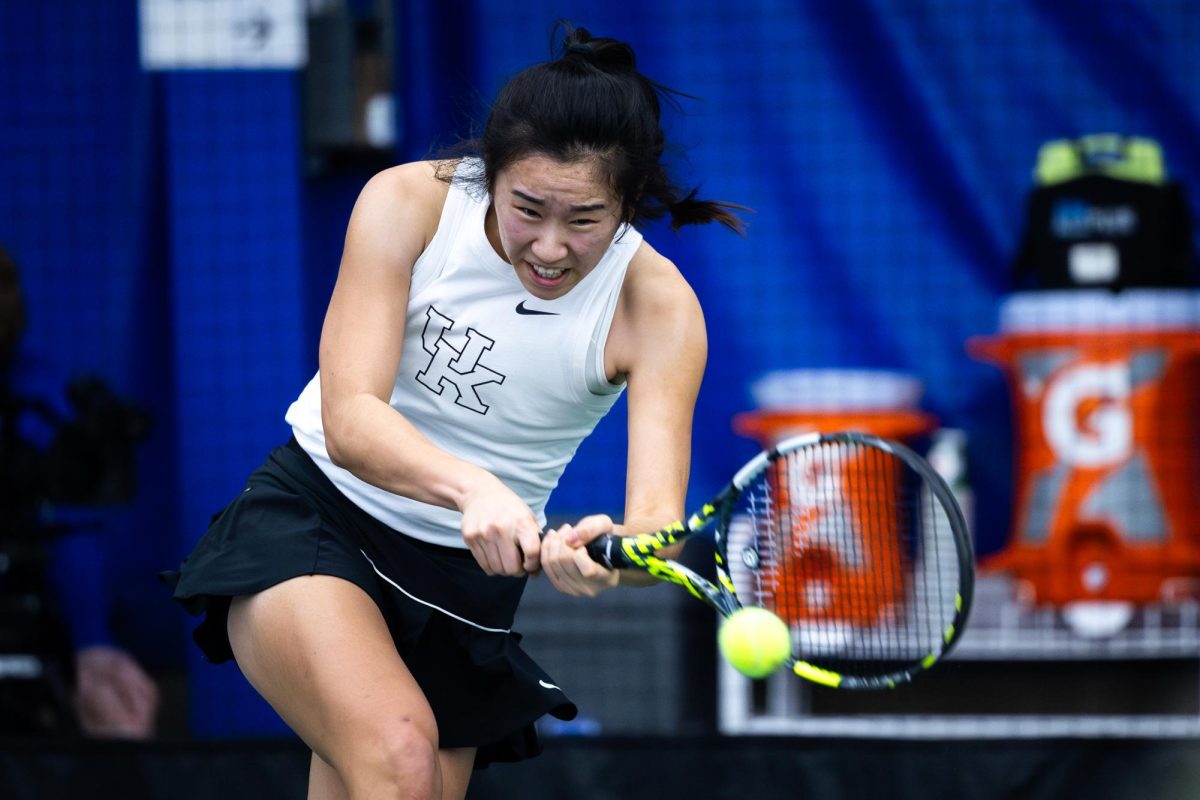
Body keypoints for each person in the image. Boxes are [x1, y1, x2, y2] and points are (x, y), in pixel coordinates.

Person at [166, 23, 745, 800]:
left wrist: (610, 556)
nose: (548, 246)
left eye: (583, 220)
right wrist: (474, 489)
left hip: (465, 591)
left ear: (627, 203)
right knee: (401, 761)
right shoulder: (407, 203)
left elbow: (654, 529)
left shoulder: (661, 309)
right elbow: (352, 418)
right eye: (527, 208)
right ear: (488, 171)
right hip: (318, 518)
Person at [0, 246, 159, 738]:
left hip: (40, 617)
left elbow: (75, 523)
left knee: (119, 716)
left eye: (10, 288)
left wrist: (93, 646)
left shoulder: (42, 390)